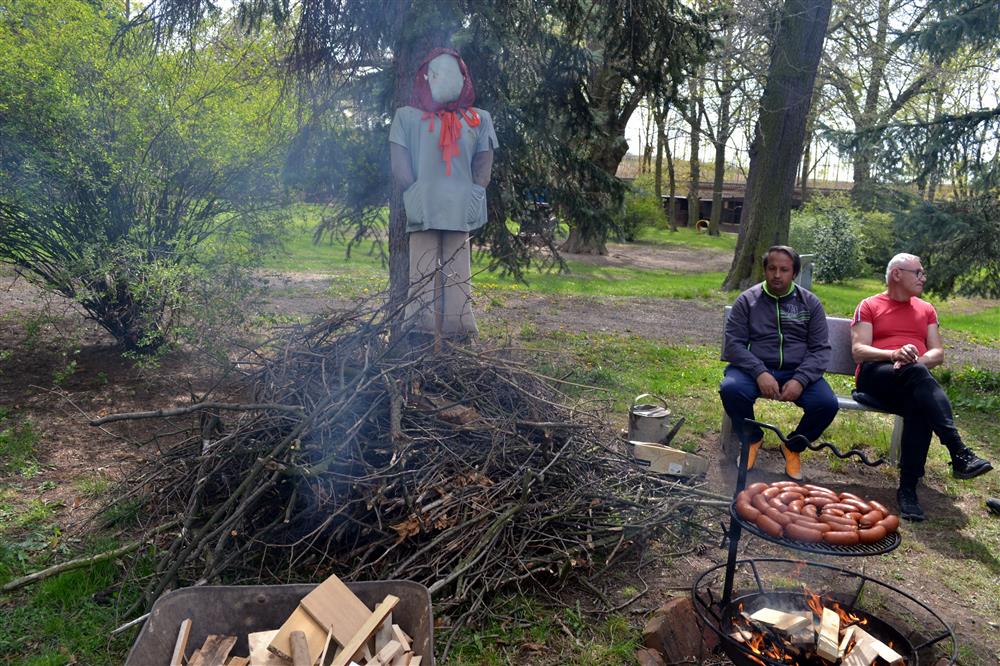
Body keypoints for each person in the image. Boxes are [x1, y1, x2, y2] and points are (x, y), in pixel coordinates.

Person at [851, 253, 993, 521]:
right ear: (897, 274)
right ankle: (958, 451)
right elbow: (859, 350)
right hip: (875, 377)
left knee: (919, 404)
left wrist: (912, 361)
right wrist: (894, 355)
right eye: (918, 272)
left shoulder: (926, 309)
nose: (923, 278)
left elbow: (937, 353)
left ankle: (907, 491)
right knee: (918, 381)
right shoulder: (869, 305)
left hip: (912, 378)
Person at [389, 48, 498, 340]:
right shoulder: (407, 118)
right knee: (420, 278)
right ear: (427, 76)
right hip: (423, 208)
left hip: (459, 209)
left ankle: (459, 338)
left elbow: (483, 166)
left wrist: (475, 194)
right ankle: (417, 337)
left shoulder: (479, 119)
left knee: (458, 280)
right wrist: (414, 192)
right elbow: (400, 166)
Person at [720, 246, 839, 480]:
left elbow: (820, 349)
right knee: (731, 390)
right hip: (752, 370)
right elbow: (734, 345)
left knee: (826, 404)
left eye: (784, 270)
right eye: (772, 268)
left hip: (797, 371)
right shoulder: (747, 301)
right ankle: (752, 439)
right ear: (764, 270)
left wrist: (800, 380)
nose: (777, 275)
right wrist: (759, 372)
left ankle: (793, 446)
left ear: (794, 273)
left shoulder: (810, 304)